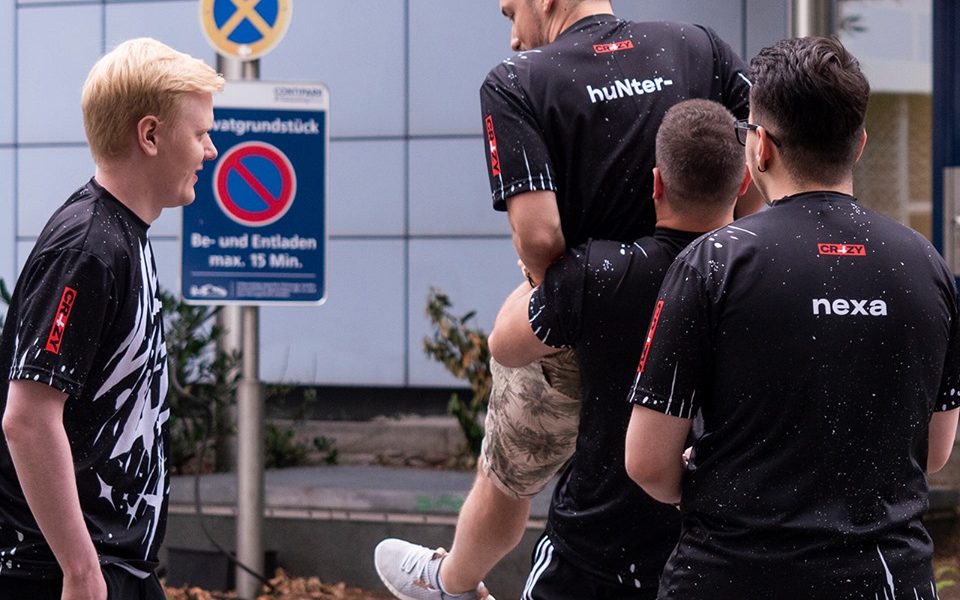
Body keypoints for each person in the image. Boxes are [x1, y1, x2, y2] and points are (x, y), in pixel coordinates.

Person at [375, 1, 755, 598]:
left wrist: (570, 292)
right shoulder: (697, 46)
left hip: (584, 313)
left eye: (511, 12)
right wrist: (724, 254)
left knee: (508, 475)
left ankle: (452, 582)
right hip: (710, 312)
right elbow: (760, 160)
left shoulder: (517, 80)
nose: (513, 35)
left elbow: (540, 237)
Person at [624, 36, 960, 600]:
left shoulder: (713, 263)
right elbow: (934, 450)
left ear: (760, 147)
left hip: (732, 576)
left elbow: (647, 462)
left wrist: (720, 484)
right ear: (859, 145)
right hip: (887, 578)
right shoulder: (925, 265)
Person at [489, 99, 749, 599]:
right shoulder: (764, 281)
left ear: (657, 184)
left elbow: (504, 344)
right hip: (707, 549)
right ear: (741, 184)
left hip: (592, 549)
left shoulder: (601, 273)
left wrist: (544, 273)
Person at [0, 38, 222, 600]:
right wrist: (81, 571)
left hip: (108, 568)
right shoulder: (89, 248)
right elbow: (28, 418)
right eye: (200, 133)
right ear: (150, 135)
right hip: (62, 575)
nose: (211, 150)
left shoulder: (118, 236)